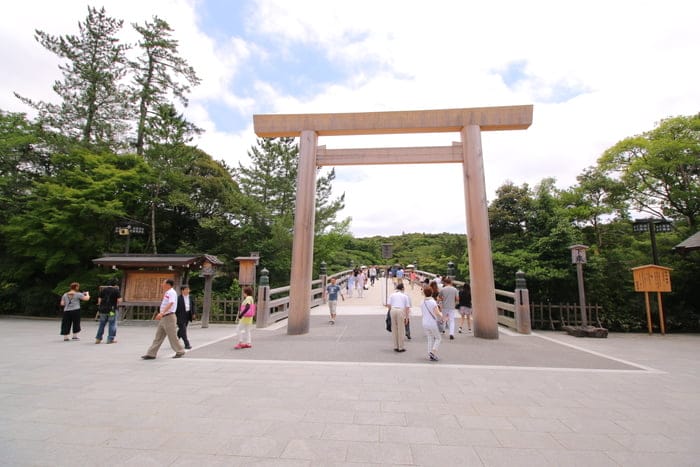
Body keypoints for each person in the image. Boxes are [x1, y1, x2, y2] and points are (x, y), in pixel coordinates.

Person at [141, 279, 185, 359]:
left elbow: (171, 303)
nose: (162, 285)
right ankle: (151, 353)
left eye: (163, 283)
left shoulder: (171, 292)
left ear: (168, 284)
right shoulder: (168, 292)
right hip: (164, 317)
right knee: (158, 336)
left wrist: (162, 313)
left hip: (169, 317)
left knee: (172, 336)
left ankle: (180, 350)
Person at [386, 282, 411, 352]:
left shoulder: (392, 295)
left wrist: (391, 310)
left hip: (393, 310)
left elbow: (388, 305)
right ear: (402, 288)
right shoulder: (405, 296)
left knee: (394, 329)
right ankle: (401, 347)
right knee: (401, 329)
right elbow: (407, 308)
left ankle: (395, 346)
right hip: (400, 311)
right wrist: (407, 317)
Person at [95, 278, 121, 344]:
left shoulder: (103, 290)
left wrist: (100, 306)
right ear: (115, 284)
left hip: (103, 310)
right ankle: (110, 339)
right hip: (111, 310)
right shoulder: (116, 290)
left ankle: (98, 339)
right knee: (112, 323)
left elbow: (99, 300)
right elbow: (119, 300)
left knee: (102, 324)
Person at [421, 286, 443, 361]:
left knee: (429, 338)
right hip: (432, 322)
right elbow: (437, 313)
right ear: (432, 292)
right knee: (438, 338)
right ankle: (432, 352)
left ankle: (430, 353)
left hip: (424, 322)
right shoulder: (433, 302)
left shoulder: (422, 302)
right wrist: (442, 316)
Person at [176, 284, 196, 349]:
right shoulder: (178, 298)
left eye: (188, 289)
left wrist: (193, 313)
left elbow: (193, 306)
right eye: (186, 289)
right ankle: (187, 344)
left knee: (182, 329)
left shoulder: (191, 297)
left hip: (188, 314)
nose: (188, 291)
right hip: (180, 315)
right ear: (182, 290)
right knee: (183, 329)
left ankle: (175, 340)